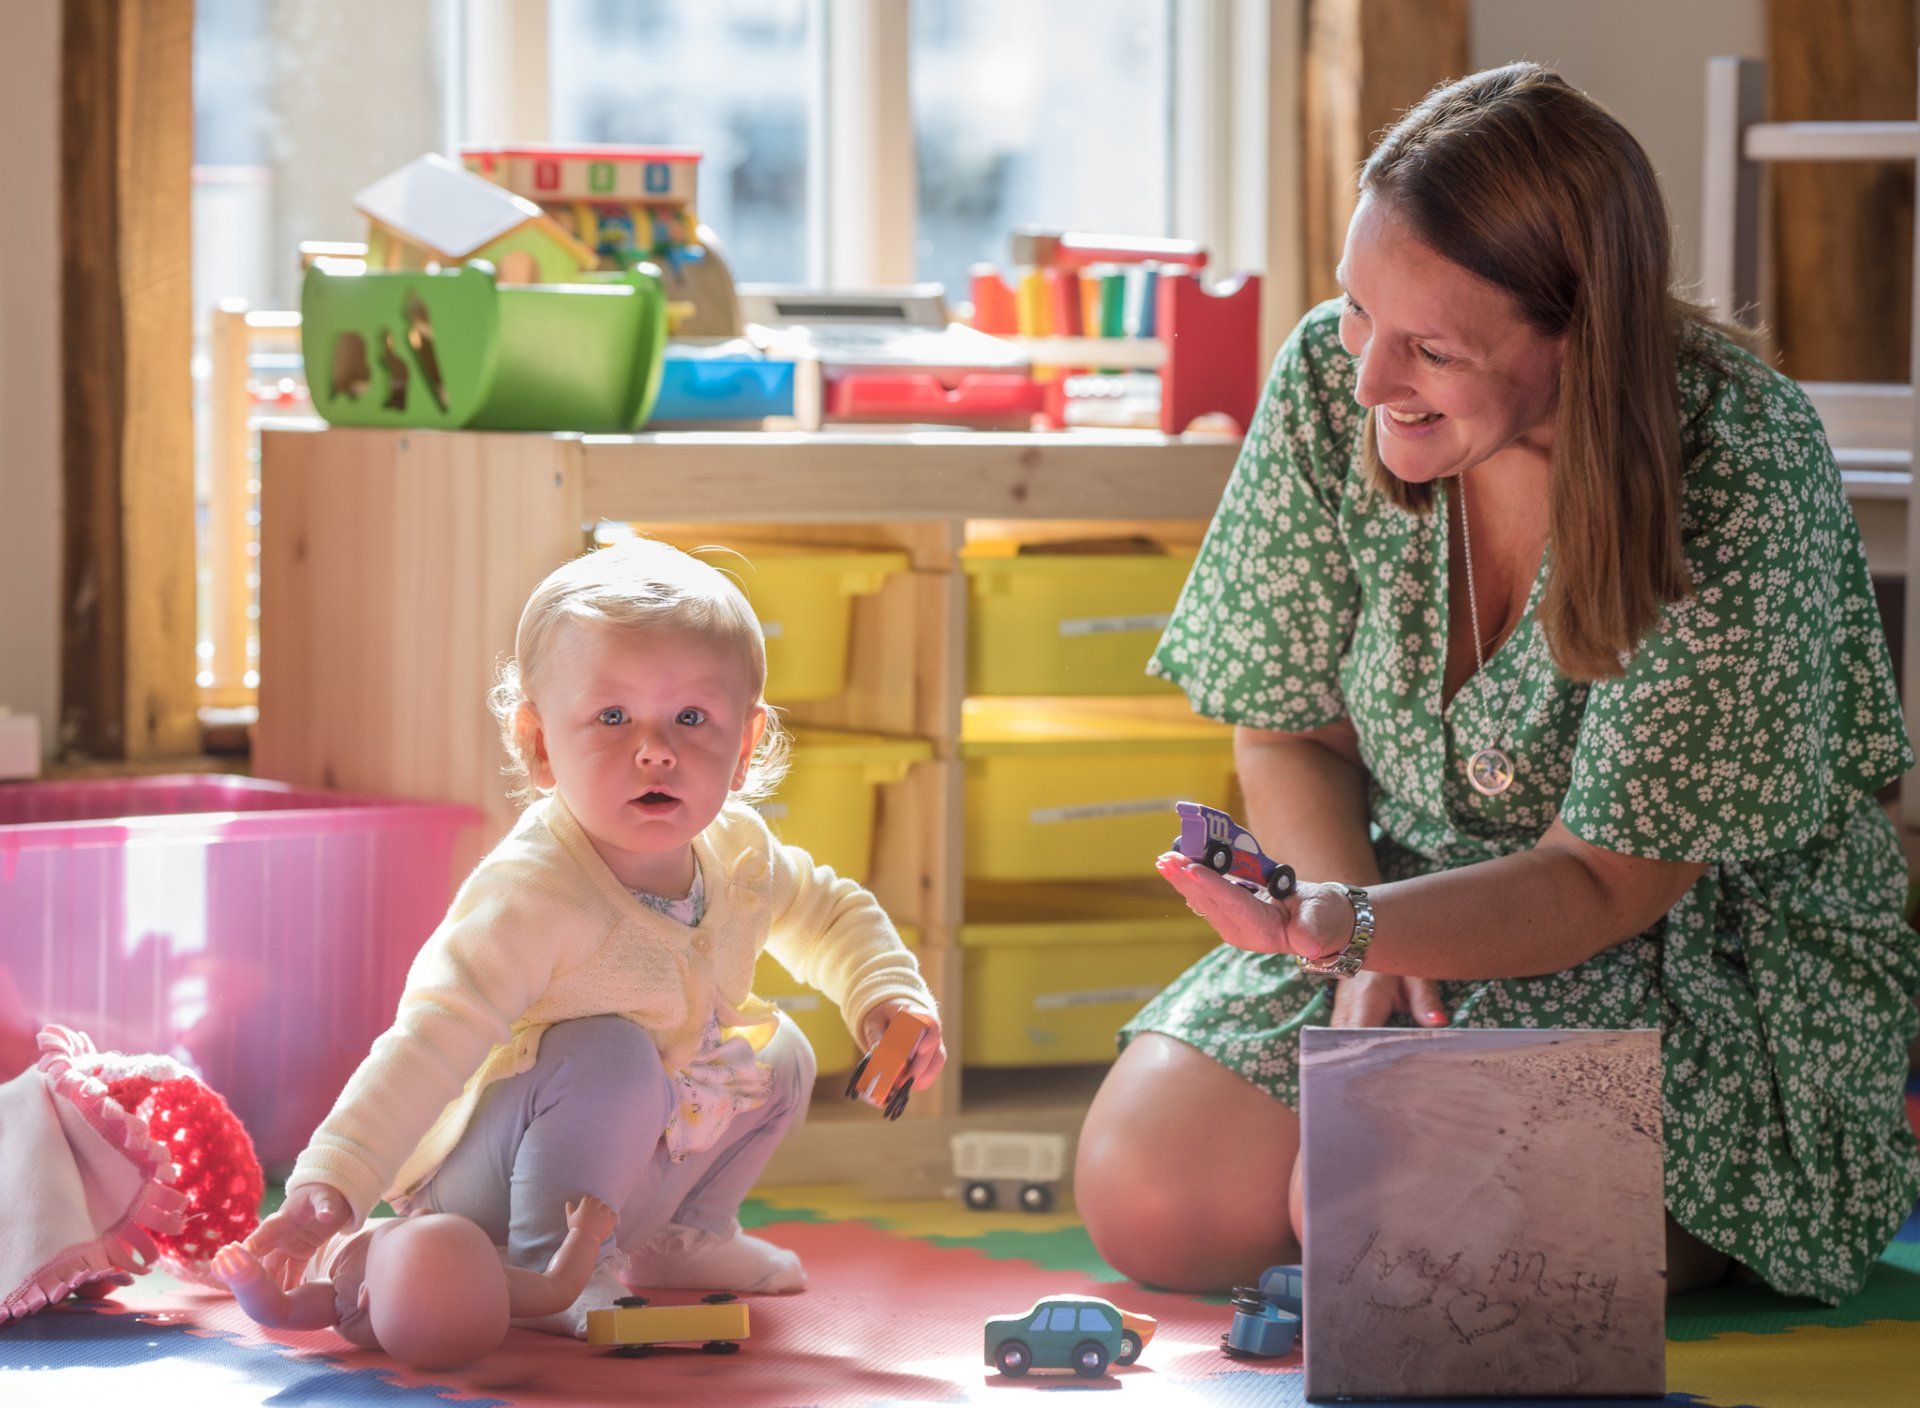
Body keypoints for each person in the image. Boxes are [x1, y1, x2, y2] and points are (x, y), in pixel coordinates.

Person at [1075, 63, 1920, 1307]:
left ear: (1581, 333)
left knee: (1384, 1219)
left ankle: (1692, 1220)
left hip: (1681, 954)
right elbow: (1288, 727)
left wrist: (1360, 931)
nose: (1367, 380)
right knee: (1152, 1195)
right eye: (1362, 310)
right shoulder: (1332, 376)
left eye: (1433, 348)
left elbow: (1605, 878)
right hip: (1390, 895)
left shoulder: (1740, 460)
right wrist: (1354, 920)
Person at [246, 538, 945, 1335]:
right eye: (612, 717)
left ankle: (683, 1238)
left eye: (692, 718)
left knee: (779, 1051)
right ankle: (552, 1270)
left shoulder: (740, 853)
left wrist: (886, 996)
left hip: (620, 1169)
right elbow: (429, 1042)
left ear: (744, 748)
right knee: (610, 1051)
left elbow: (829, 913)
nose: (655, 749)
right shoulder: (534, 893)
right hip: (481, 1190)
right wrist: (333, 1183)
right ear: (541, 745)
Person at [213, 1197, 617, 1370]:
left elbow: (278, 1310)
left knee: (250, 1250)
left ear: (364, 1295)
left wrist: (247, 1279)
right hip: (397, 1242)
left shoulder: (343, 1299)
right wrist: (586, 1235)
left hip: (318, 1248)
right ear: (500, 1283)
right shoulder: (492, 1288)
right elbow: (561, 1287)